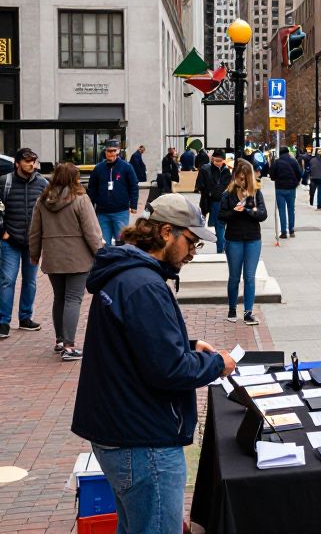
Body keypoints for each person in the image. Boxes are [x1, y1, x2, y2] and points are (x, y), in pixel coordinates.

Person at [71, 194, 235, 534]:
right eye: (190, 241)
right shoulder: (142, 284)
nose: (192, 252)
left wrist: (189, 347)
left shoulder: (129, 275)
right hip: (142, 439)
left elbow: (133, 344)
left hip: (122, 429)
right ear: (165, 233)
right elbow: (169, 369)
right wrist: (216, 363)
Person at [28, 163, 105, 360]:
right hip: (77, 257)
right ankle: (70, 347)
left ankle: (60, 340)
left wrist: (34, 253)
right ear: (73, 178)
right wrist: (101, 254)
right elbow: (91, 231)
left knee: (59, 298)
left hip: (53, 257)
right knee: (73, 299)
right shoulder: (81, 199)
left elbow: (35, 231)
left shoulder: (42, 200)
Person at [0, 148, 50, 338]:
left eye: (34, 161)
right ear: (17, 163)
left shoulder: (43, 183)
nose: (32, 164)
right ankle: (3, 322)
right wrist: (3, 233)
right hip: (10, 241)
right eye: (28, 161)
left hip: (33, 242)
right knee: (7, 281)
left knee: (30, 282)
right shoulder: (5, 182)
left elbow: (49, 209)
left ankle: (25, 318)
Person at [219, 160, 267, 325]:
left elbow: (262, 214)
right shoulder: (228, 194)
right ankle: (232, 309)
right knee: (234, 277)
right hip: (234, 238)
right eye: (240, 178)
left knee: (249, 277)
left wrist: (248, 210)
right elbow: (221, 216)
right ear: (235, 177)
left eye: (245, 179)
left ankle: (248, 312)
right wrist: (234, 212)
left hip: (253, 238)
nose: (243, 182)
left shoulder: (255, 193)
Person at [87, 139, 140, 246]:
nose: (111, 153)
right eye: (108, 151)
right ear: (105, 151)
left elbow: (133, 186)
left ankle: (121, 262)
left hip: (120, 211)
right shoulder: (98, 169)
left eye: (113, 151)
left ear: (118, 151)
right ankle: (107, 262)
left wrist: (134, 205)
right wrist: (90, 207)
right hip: (102, 212)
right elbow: (92, 188)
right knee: (104, 243)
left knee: (121, 242)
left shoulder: (126, 167)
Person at [196, 150, 232, 253]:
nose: (218, 162)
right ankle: (221, 248)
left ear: (223, 160)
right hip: (210, 201)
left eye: (220, 161)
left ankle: (222, 248)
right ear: (212, 159)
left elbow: (226, 185)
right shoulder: (205, 169)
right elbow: (200, 185)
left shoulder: (226, 171)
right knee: (218, 225)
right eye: (216, 160)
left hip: (222, 201)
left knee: (220, 226)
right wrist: (211, 192)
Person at [268, 146, 302, 239]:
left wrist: (275, 178)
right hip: (291, 189)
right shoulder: (293, 161)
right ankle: (291, 231)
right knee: (291, 209)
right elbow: (300, 174)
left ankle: (283, 232)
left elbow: (272, 175)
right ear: (288, 152)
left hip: (280, 189)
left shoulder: (277, 162)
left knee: (281, 210)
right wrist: (296, 181)